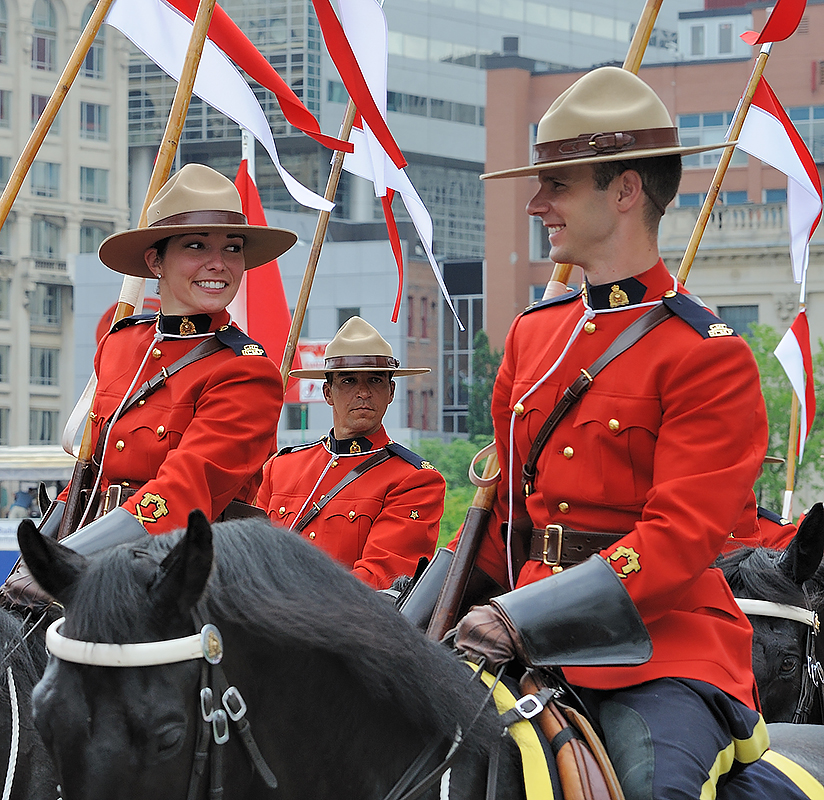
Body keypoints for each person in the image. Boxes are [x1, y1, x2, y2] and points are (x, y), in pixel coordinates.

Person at [450, 67, 811, 799]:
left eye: (558, 184)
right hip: (520, 639)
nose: (536, 203)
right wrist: (405, 613)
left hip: (660, 654)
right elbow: (502, 521)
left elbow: (677, 542)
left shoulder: (707, 354)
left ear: (624, 192)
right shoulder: (532, 337)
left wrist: (519, 618)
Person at [2, 163, 296, 607]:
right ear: (155, 260)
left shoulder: (245, 371)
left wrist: (67, 560)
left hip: (181, 575)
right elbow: (89, 473)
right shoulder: (121, 343)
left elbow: (182, 494)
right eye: (196, 245)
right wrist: (32, 561)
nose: (219, 264)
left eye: (233, 248)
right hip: (89, 552)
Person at [256, 316, 445, 589]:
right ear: (328, 392)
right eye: (349, 380)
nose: (364, 392)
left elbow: (380, 579)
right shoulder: (281, 467)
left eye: (376, 380)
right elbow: (249, 557)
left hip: (346, 626)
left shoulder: (414, 480)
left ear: (391, 391)